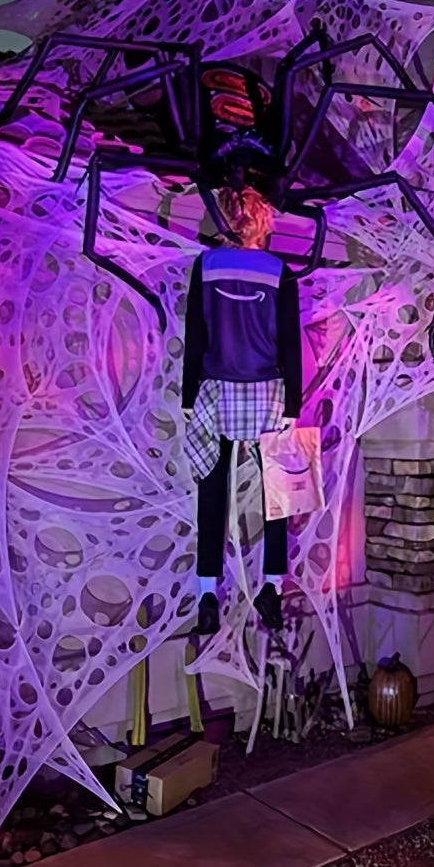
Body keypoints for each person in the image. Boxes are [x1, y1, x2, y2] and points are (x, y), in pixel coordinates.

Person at [182, 187, 302, 634]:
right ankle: (272, 586)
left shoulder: (206, 266)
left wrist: (188, 396)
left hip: (215, 388)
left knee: (211, 490)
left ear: (225, 217)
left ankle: (207, 593)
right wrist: (293, 403)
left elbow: (196, 333)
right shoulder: (279, 272)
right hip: (268, 389)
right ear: (262, 222)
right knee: (278, 492)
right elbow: (289, 342)